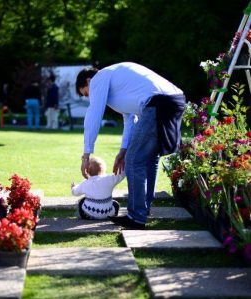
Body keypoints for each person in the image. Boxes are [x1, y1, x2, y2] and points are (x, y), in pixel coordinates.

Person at [76, 62, 186, 229]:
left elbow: (94, 114)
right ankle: (144, 209)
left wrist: (86, 154)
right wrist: (122, 151)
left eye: (85, 93)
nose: (88, 97)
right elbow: (129, 119)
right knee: (149, 158)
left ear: (89, 81)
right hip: (174, 99)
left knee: (134, 161)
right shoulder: (119, 85)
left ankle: (136, 217)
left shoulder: (99, 79)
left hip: (157, 103)